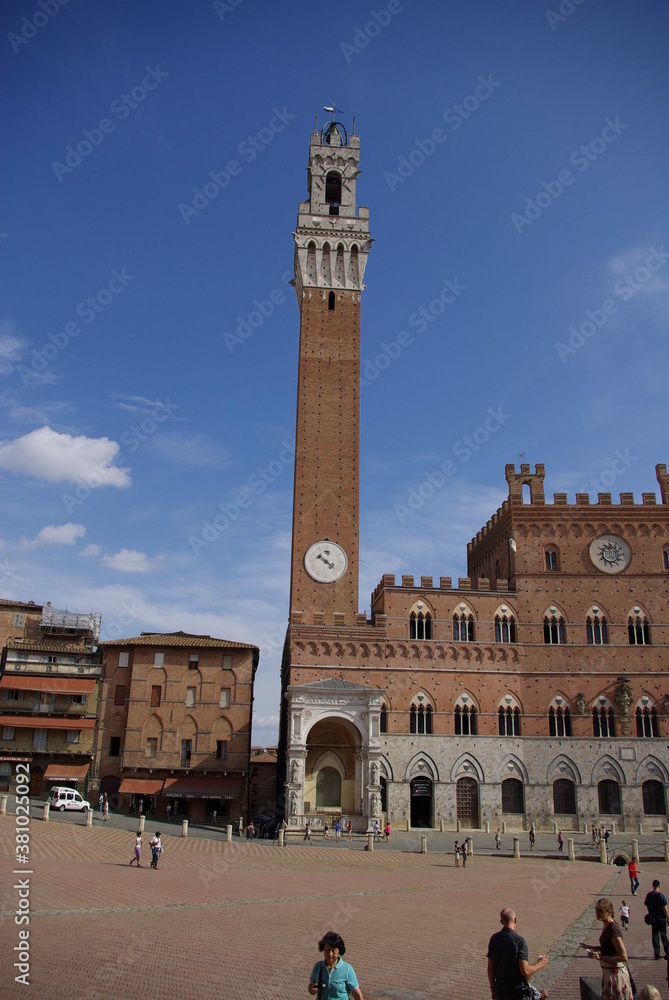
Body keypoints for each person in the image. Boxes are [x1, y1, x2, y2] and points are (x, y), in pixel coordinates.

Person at [487, 906, 548, 1000]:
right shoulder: (520, 942)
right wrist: (540, 964)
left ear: (501, 922)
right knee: (542, 995)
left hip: (501, 989)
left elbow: (490, 968)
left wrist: (493, 989)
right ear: (515, 919)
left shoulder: (494, 939)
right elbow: (525, 971)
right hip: (517, 991)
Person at [579, 896, 633, 999]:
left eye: (601, 911)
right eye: (596, 910)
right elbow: (609, 948)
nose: (597, 913)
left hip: (616, 976)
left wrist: (600, 957)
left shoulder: (613, 929)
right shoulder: (606, 925)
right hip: (608, 974)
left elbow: (623, 957)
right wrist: (592, 947)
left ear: (609, 912)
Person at [308, 930, 364, 999]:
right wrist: (312, 990)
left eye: (333, 951)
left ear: (339, 951)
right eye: (327, 950)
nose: (330, 954)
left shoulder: (347, 969)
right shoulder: (318, 967)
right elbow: (310, 986)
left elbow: (356, 993)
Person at [643, 879, 669, 960]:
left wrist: (650, 913)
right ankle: (667, 952)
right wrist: (668, 918)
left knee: (655, 936)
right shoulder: (661, 896)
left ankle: (657, 954)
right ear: (659, 886)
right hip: (661, 918)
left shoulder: (649, 895)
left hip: (653, 919)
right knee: (663, 935)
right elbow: (665, 908)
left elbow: (647, 905)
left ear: (653, 885)